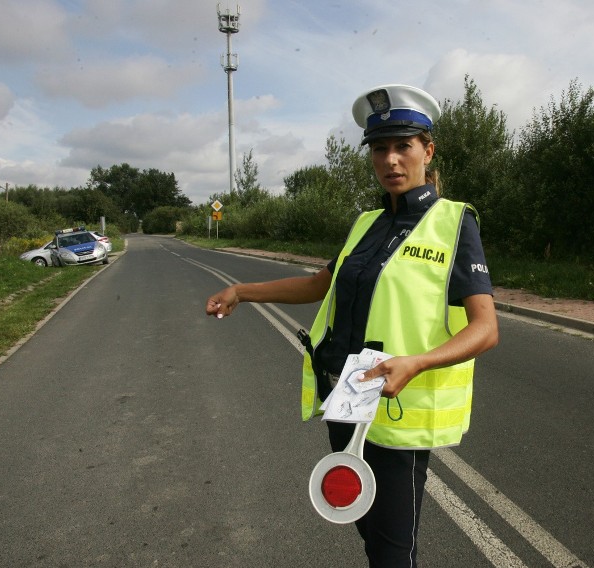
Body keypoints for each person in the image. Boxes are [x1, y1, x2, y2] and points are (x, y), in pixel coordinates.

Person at [205, 84, 498, 567]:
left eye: (403, 146)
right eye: (380, 148)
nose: (391, 160)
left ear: (428, 150)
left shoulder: (454, 223)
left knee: (392, 548)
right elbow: (321, 284)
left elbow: (485, 328)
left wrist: (418, 363)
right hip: (347, 398)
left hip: (398, 405)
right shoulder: (366, 223)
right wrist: (241, 291)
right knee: (368, 529)